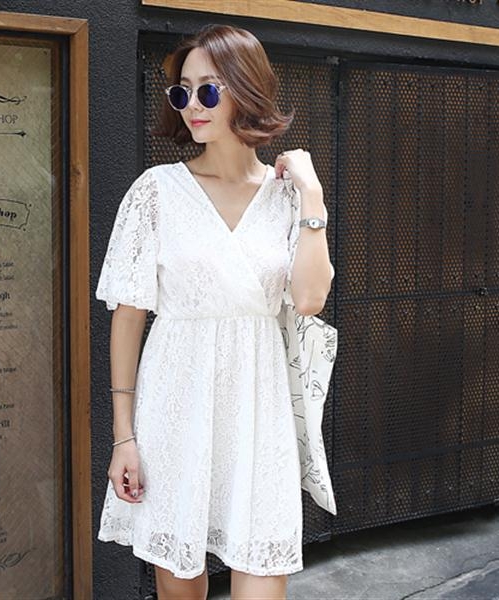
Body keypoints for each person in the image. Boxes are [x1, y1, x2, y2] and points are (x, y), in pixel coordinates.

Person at [95, 24, 334, 600]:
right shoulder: (155, 191)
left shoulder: (287, 197)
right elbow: (127, 319)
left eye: (207, 90)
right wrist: (124, 437)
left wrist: (313, 196)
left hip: (258, 411)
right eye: (183, 92)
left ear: (246, 91)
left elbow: (309, 299)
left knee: (263, 575)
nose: (192, 106)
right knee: (180, 585)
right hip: (174, 407)